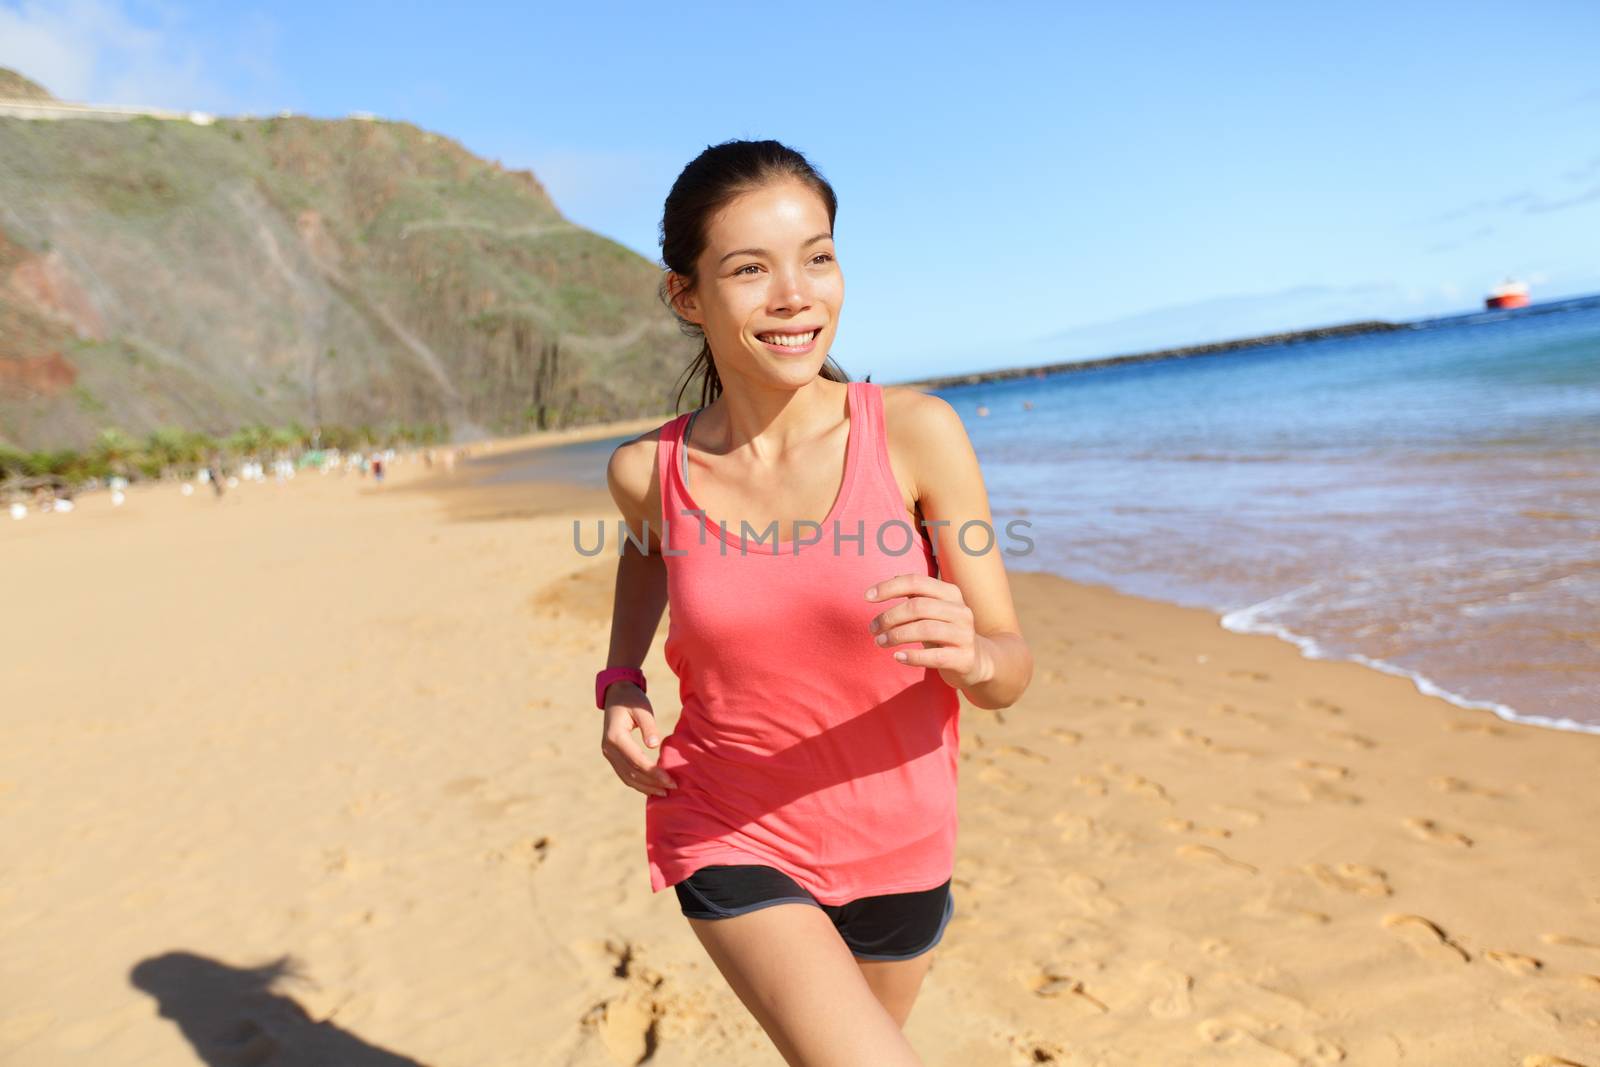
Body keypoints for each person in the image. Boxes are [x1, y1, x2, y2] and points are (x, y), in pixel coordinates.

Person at [601, 139, 1033, 1064]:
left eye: (819, 256)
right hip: (727, 821)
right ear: (688, 296)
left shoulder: (918, 435)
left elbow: (1009, 670)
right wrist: (620, 680)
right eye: (750, 269)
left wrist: (974, 655)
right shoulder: (648, 471)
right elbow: (647, 553)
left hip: (902, 843)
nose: (796, 294)